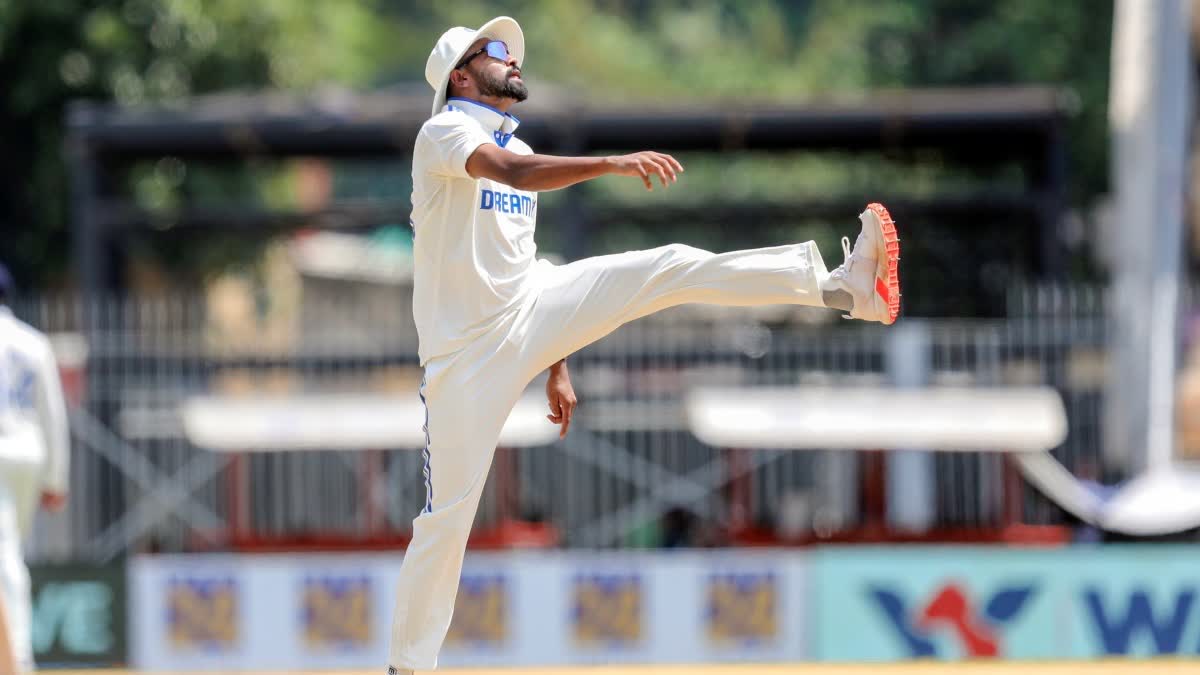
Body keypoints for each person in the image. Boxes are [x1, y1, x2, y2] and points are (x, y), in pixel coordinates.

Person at [387, 17, 900, 673]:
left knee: (667, 265)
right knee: (446, 520)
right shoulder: (445, 133)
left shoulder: (515, 138)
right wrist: (612, 162)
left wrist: (555, 357)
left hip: (531, 310)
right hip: (463, 359)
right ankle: (408, 665)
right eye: (497, 52)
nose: (512, 59)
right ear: (461, 74)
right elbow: (513, 173)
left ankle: (840, 288)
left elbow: (519, 262)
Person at [0, 263, 70, 673]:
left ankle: (18, 658)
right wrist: (56, 479)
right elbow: (53, 416)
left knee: (5, 557)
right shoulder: (32, 342)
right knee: (10, 551)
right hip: (28, 457)